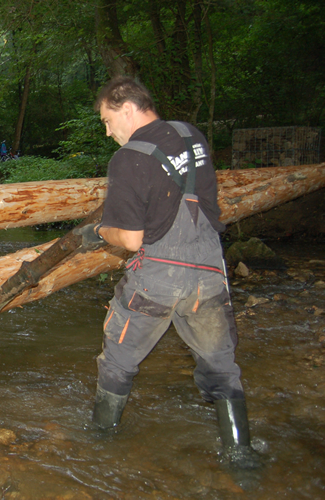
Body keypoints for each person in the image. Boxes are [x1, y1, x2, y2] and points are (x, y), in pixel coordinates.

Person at [76, 76, 258, 469]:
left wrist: (99, 232)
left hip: (157, 279)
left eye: (107, 120)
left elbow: (130, 239)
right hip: (209, 273)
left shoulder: (128, 158)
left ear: (127, 109)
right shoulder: (192, 136)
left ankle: (98, 447)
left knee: (118, 361)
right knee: (222, 369)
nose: (107, 132)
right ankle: (242, 458)